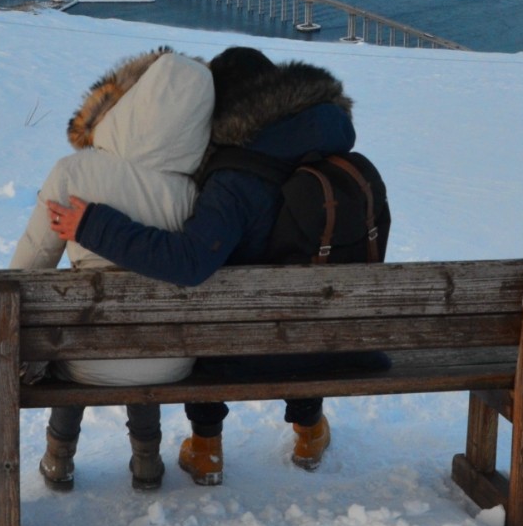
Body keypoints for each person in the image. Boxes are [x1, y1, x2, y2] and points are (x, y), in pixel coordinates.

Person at [46, 46, 359, 485]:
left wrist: (95, 226)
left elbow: (190, 261)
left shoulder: (233, 178)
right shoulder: (327, 142)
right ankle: (309, 431)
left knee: (208, 312)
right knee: (299, 292)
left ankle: (207, 449)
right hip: (329, 337)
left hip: (243, 346)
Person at [11, 47, 214, 493]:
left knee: (68, 341)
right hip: (172, 360)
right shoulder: (195, 194)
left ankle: (59, 456)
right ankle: (146, 460)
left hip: (89, 357)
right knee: (147, 334)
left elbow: (30, 267)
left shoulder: (74, 172)